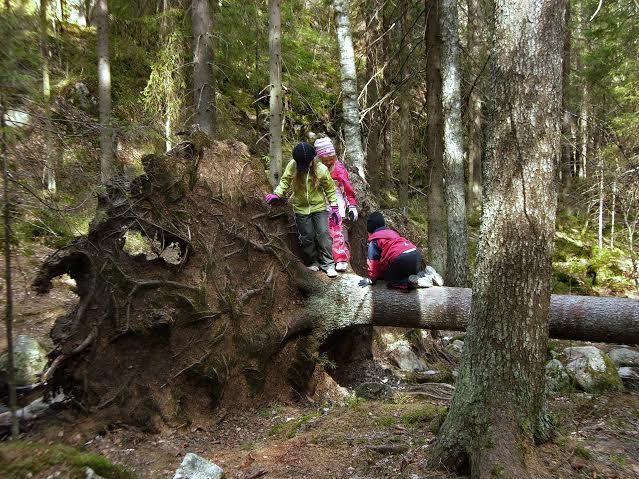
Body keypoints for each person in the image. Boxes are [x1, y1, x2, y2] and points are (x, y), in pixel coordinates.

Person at [265, 142, 340, 278]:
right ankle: (312, 262)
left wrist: (334, 207)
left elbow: (330, 189)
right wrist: (277, 194)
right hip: (301, 208)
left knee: (323, 234)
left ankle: (328, 264)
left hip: (319, 207)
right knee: (307, 236)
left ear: (312, 160)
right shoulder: (293, 166)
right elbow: (285, 181)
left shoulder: (321, 169)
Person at [359, 211, 442, 290]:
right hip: (415, 254)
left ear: (370, 230)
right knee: (408, 274)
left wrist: (371, 279)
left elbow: (373, 263)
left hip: (401, 258)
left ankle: (416, 282)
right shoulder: (392, 233)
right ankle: (428, 276)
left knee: (391, 281)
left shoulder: (374, 240)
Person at [314, 137, 358, 272]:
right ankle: (324, 259)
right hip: (320, 200)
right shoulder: (315, 168)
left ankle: (341, 259)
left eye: (330, 159)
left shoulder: (338, 169)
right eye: (324, 160)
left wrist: (352, 205)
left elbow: (347, 189)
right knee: (321, 231)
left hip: (336, 201)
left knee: (335, 229)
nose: (328, 162)